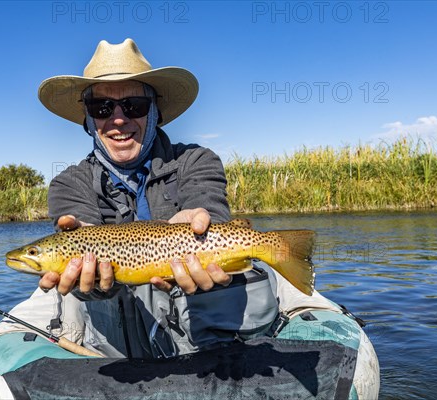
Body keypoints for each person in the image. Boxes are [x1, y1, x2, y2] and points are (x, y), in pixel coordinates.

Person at [36, 39, 279, 358]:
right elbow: (84, 269)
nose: (119, 119)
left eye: (134, 106)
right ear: (88, 120)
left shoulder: (197, 160)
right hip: (117, 336)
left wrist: (202, 218)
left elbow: (209, 208)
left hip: (200, 326)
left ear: (156, 112)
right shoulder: (68, 183)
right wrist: (89, 266)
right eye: (102, 108)